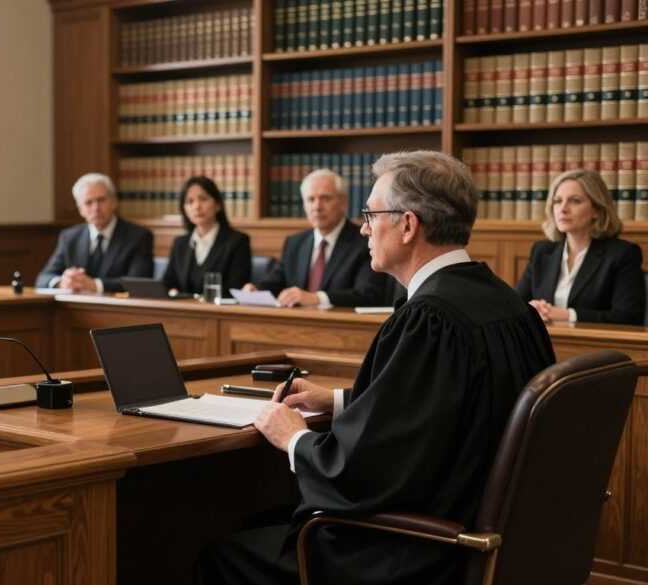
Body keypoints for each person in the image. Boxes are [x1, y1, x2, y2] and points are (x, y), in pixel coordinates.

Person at [196, 151, 556, 585]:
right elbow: (444, 406)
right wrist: (335, 399)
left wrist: (292, 438)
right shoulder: (508, 303)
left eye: (371, 213)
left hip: (418, 549)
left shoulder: (431, 317)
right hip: (489, 534)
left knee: (222, 552)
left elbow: (361, 475)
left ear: (407, 225)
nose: (364, 227)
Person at [516, 169, 645, 325]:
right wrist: (531, 307)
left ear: (596, 210)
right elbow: (514, 304)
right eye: (557, 201)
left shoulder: (623, 254)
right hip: (543, 341)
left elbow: (628, 317)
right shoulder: (542, 251)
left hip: (597, 346)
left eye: (575, 201)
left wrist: (567, 315)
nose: (563, 209)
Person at [245, 169, 387, 307]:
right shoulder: (295, 243)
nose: (317, 206)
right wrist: (256, 291)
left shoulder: (365, 241)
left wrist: (317, 298)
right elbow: (276, 282)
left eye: (325, 198)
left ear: (343, 203)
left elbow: (368, 294)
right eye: (310, 199)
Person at [36, 173, 153, 293]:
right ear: (81, 210)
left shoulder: (138, 237)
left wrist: (95, 285)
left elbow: (139, 283)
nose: (96, 208)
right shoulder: (70, 237)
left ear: (114, 202)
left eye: (101, 200)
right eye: (88, 203)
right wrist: (62, 282)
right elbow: (43, 278)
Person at [161, 176, 251, 297]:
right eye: (190, 201)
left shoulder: (237, 241)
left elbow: (236, 288)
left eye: (203, 199)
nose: (197, 206)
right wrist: (172, 291)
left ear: (218, 204)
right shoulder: (180, 243)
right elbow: (167, 283)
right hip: (182, 311)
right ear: (184, 209)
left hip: (219, 313)